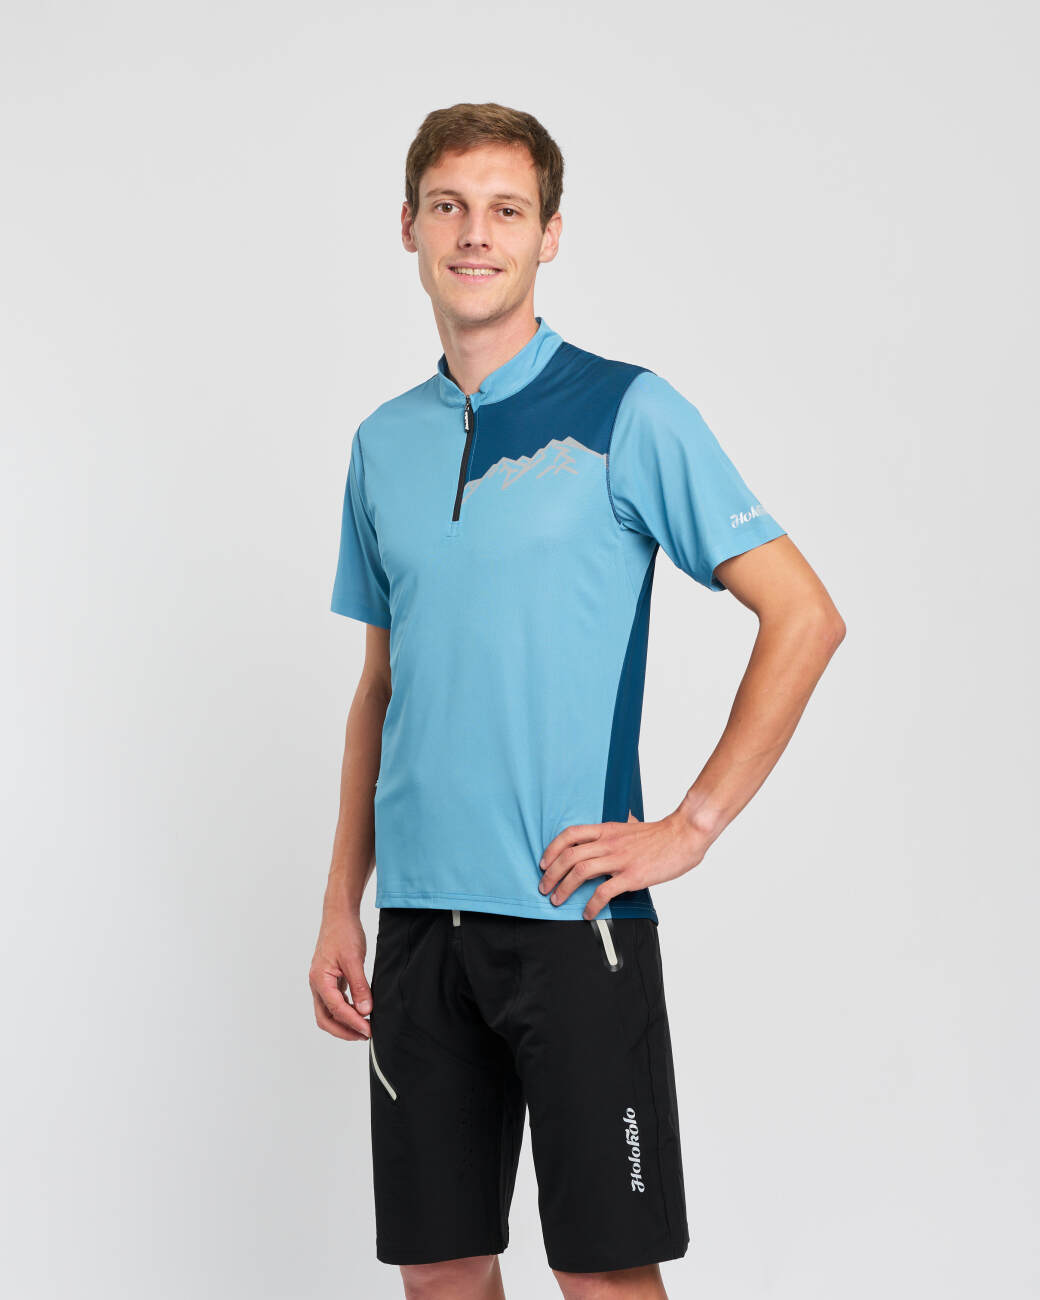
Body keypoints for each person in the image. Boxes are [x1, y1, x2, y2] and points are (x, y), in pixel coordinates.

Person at [310, 102, 845, 1300]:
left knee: (602, 1279)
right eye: (448, 206)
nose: (474, 234)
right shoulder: (380, 444)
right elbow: (379, 689)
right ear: (408, 225)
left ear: (548, 235)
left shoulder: (627, 412)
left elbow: (803, 616)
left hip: (572, 916)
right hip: (416, 929)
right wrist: (342, 902)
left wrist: (688, 826)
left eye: (505, 210)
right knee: (441, 1273)